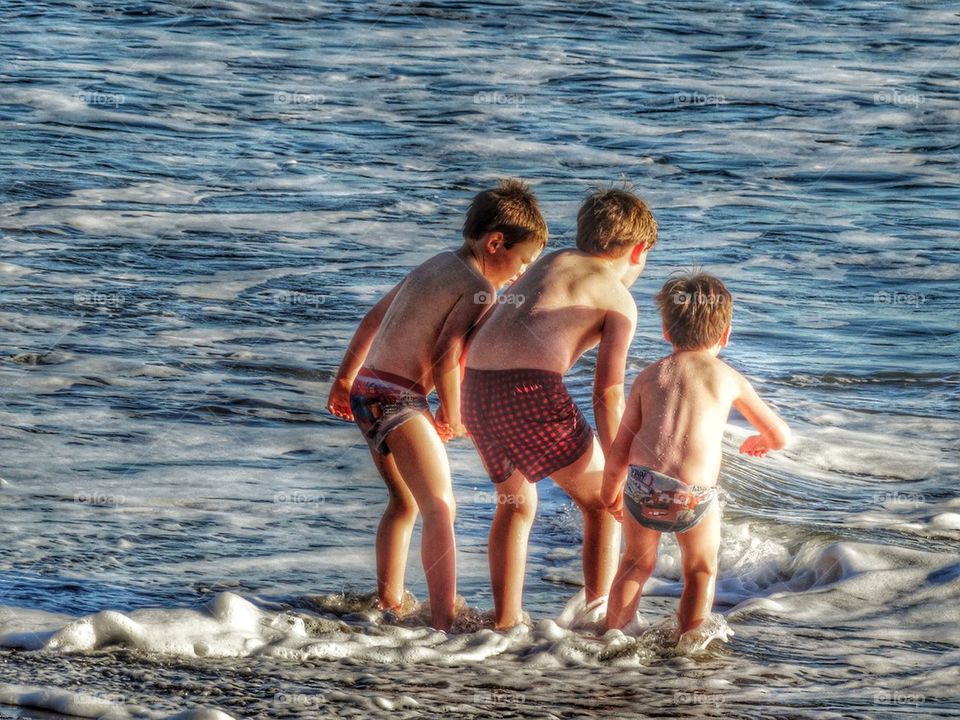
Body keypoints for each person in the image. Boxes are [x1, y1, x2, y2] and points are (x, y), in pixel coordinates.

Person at [326, 179, 548, 630]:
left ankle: (389, 600)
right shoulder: (479, 289)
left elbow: (374, 317)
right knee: (440, 508)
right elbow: (448, 354)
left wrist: (343, 379)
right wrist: (453, 415)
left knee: (404, 503)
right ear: (496, 243)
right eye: (523, 261)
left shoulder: (434, 264)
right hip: (399, 398)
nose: (522, 273)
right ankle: (443, 623)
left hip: (368, 389)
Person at [462, 187, 657, 629]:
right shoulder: (617, 296)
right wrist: (616, 470)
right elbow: (607, 392)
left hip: (475, 387)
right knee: (600, 505)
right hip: (527, 392)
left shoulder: (551, 261)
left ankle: (506, 622)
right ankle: (598, 615)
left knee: (514, 503)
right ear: (638, 250)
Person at [602, 272, 791, 638]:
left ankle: (616, 635)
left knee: (634, 565)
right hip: (694, 495)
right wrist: (759, 441)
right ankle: (688, 643)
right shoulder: (728, 377)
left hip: (642, 486)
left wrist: (610, 491)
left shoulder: (649, 376)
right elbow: (779, 435)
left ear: (667, 331)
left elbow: (621, 446)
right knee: (700, 570)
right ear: (725, 334)